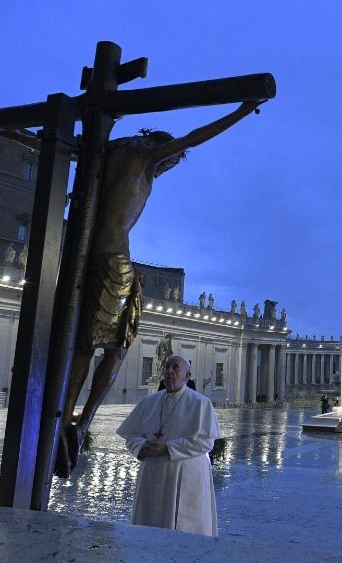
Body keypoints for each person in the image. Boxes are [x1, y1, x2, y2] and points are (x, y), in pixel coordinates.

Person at [55, 100, 263, 477]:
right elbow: (196, 137)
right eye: (169, 163)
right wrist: (243, 109)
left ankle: (60, 421)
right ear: (161, 148)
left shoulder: (106, 152)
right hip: (113, 260)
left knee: (84, 345)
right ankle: (80, 423)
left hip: (79, 255)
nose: (166, 169)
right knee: (115, 349)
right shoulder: (144, 156)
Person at [117, 356, 222, 536]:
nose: (169, 371)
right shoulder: (149, 402)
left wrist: (168, 447)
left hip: (185, 474)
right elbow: (131, 434)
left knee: (184, 529)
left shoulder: (200, 404)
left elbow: (206, 441)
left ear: (187, 376)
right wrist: (141, 446)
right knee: (148, 527)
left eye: (175, 367)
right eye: (167, 367)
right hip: (151, 472)